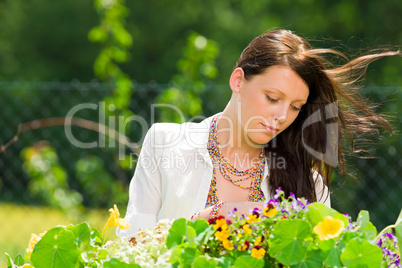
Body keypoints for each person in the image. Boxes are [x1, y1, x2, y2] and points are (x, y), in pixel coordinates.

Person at [117, 29, 400, 239]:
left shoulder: (307, 183)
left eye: (295, 107)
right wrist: (204, 219)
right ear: (238, 81)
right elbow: (131, 244)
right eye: (272, 97)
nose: (281, 116)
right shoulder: (165, 143)